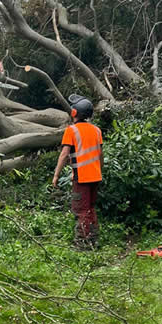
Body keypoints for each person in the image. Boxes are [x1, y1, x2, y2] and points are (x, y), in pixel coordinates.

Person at [52, 94, 103, 248]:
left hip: (81, 177)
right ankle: (94, 239)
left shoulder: (71, 130)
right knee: (90, 208)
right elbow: (100, 155)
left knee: (81, 210)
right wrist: (100, 171)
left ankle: (82, 242)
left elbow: (64, 154)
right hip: (95, 176)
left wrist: (56, 175)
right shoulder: (97, 130)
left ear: (74, 113)